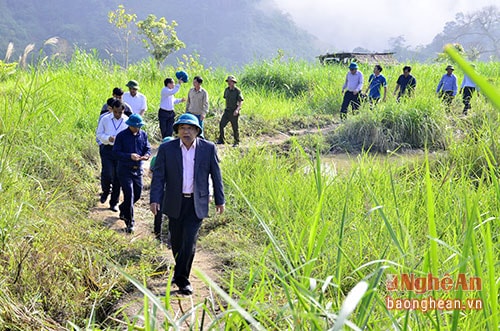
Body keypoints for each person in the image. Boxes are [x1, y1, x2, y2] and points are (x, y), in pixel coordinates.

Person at [150, 113, 225, 295]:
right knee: (176, 241)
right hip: (175, 201)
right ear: (177, 131)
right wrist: (155, 199)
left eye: (190, 128)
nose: (186, 132)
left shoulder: (208, 148)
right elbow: (159, 176)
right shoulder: (167, 149)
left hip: (196, 202)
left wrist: (219, 200)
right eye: (182, 128)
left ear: (197, 131)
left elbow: (216, 175)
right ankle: (179, 269)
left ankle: (183, 279)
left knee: (189, 241)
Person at [113, 113, 151, 233]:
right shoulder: (121, 136)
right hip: (124, 170)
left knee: (138, 194)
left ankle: (123, 208)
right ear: (130, 125)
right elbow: (115, 153)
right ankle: (130, 222)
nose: (137, 128)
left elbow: (147, 148)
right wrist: (129, 156)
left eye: (139, 126)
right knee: (129, 195)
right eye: (135, 126)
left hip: (138, 170)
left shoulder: (143, 135)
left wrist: (146, 155)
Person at [96, 100, 129, 211]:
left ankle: (114, 202)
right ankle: (105, 191)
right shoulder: (105, 119)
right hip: (108, 149)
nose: (117, 114)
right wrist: (108, 138)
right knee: (107, 173)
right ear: (112, 110)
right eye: (115, 112)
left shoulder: (127, 121)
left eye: (120, 112)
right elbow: (99, 134)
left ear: (123, 111)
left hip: (120, 151)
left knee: (117, 177)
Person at [149, 136, 174, 244]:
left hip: (172, 191)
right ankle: (157, 236)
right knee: (158, 214)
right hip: (160, 191)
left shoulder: (178, 158)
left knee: (173, 216)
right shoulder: (156, 159)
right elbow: (150, 173)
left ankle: (171, 239)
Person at [216, 75, 244, 147]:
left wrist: (237, 110)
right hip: (227, 111)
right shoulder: (226, 90)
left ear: (234, 82)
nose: (229, 83)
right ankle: (221, 139)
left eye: (230, 81)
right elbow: (226, 99)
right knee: (221, 124)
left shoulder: (237, 91)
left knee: (235, 127)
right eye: (228, 81)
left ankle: (236, 142)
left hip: (234, 111)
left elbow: (240, 101)